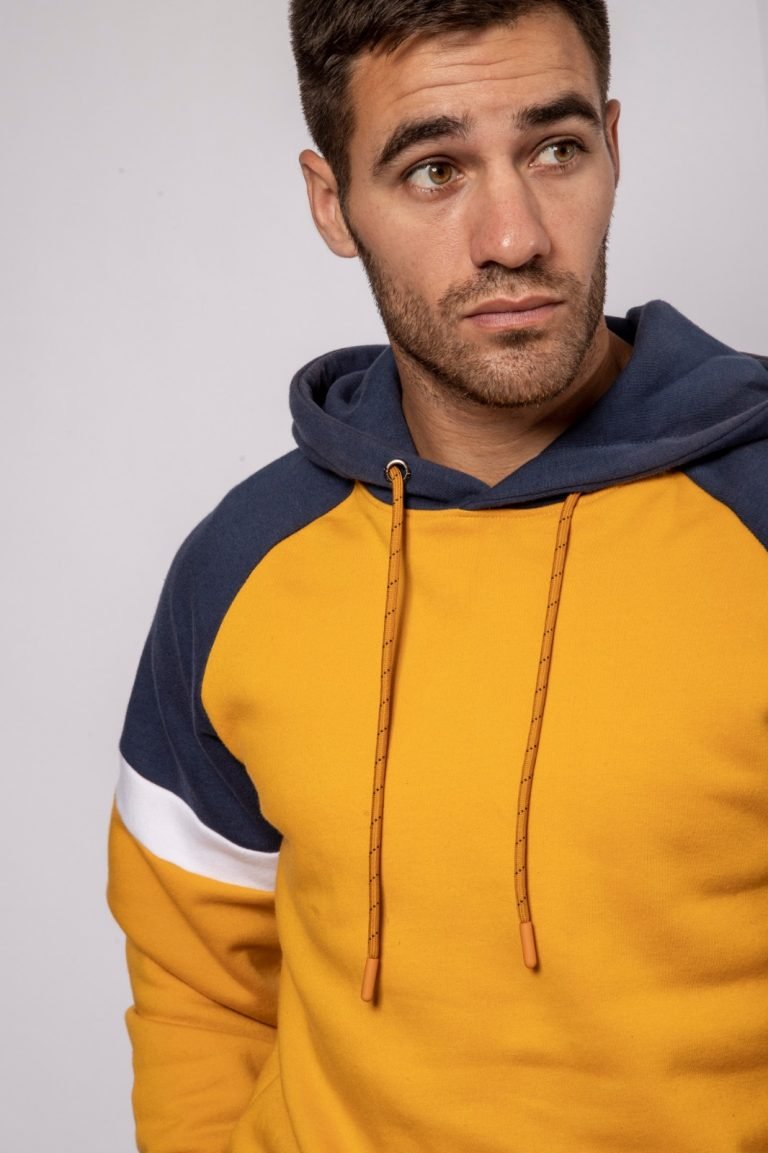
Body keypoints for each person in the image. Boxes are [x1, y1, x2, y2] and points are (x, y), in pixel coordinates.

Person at [108, 1, 768, 1150]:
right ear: (332, 203)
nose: (513, 236)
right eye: (433, 170)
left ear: (614, 145)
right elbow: (197, 986)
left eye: (555, 149)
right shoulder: (241, 563)